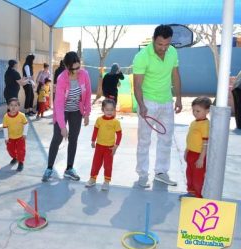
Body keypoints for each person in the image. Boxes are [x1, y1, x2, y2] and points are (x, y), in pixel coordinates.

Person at [133, 24, 182, 188]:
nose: (163, 48)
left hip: (167, 101)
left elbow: (175, 75)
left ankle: (161, 172)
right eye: (160, 44)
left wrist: (179, 99)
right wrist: (141, 105)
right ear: (154, 40)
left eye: (166, 44)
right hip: (148, 101)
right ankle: (142, 174)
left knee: (166, 139)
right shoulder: (142, 57)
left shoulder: (173, 52)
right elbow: (137, 85)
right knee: (144, 140)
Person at [41, 51, 91, 182]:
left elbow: (88, 94)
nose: (76, 70)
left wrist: (87, 113)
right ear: (67, 67)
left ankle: (69, 168)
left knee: (73, 138)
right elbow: (58, 104)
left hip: (76, 110)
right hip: (62, 110)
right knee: (57, 138)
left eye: (78, 67)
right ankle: (49, 168)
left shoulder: (84, 74)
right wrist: (62, 127)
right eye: (73, 68)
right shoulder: (62, 78)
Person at [86, 99, 122, 191]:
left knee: (108, 165)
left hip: (109, 148)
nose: (109, 112)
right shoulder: (99, 120)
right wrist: (93, 141)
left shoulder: (116, 122)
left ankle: (106, 181)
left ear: (114, 110)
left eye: (111, 109)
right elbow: (95, 130)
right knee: (96, 163)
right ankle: (92, 179)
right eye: (107, 109)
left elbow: (119, 134)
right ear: (103, 109)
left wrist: (116, 146)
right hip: (99, 146)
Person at [180, 97, 211, 199]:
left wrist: (201, 158)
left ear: (207, 111)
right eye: (193, 110)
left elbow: (205, 143)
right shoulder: (194, 122)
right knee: (189, 174)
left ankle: (198, 196)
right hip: (191, 154)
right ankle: (191, 192)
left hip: (199, 155)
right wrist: (186, 151)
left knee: (198, 178)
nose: (195, 113)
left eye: (198, 111)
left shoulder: (205, 125)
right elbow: (190, 139)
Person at [3, 98, 28, 171]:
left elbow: (26, 124)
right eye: (11, 105)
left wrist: (24, 134)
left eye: (15, 105)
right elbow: (5, 128)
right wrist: (6, 138)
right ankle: (15, 157)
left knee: (21, 150)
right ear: (8, 106)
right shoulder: (6, 117)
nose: (13, 107)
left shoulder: (21, 115)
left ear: (18, 107)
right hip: (10, 137)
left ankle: (21, 162)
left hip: (20, 137)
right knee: (10, 149)